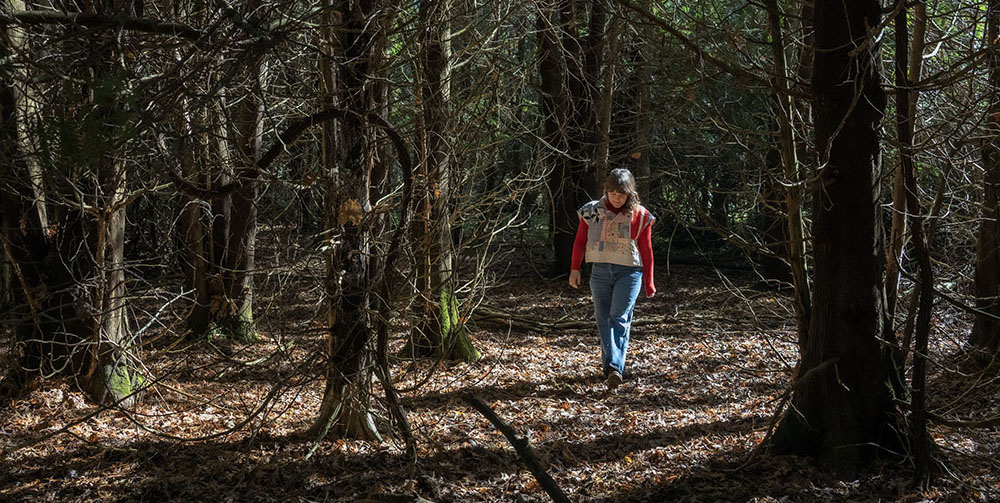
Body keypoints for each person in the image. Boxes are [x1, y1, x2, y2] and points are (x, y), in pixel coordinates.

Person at [569, 168, 655, 390]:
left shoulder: (639, 215)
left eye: (622, 194)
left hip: (630, 272)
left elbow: (646, 249)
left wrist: (649, 280)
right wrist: (574, 269)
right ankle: (610, 367)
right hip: (600, 270)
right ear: (606, 191)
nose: (617, 198)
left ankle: (616, 366)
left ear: (629, 194)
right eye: (613, 193)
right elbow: (580, 241)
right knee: (603, 318)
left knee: (618, 316)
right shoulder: (592, 211)